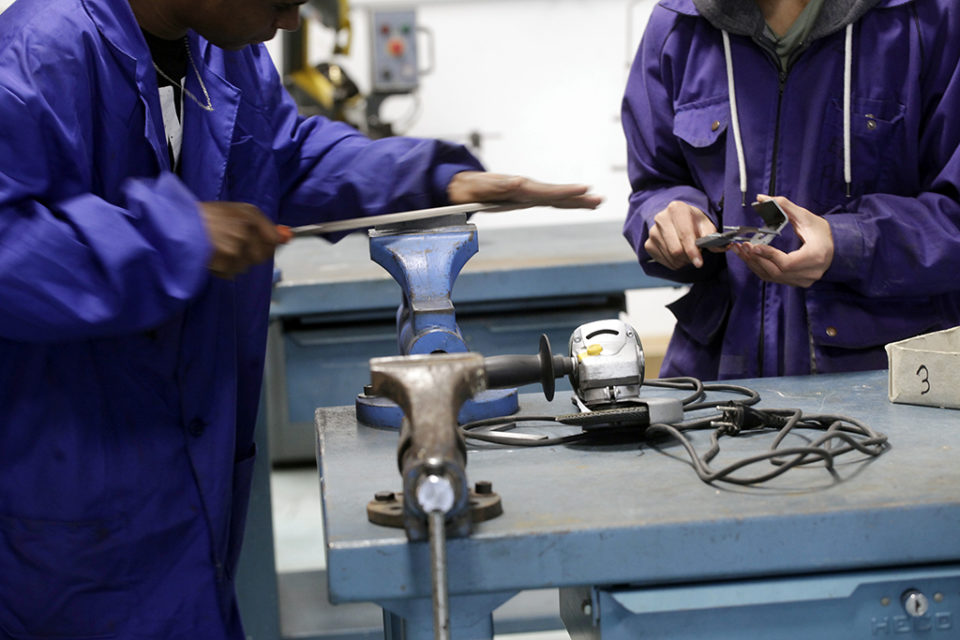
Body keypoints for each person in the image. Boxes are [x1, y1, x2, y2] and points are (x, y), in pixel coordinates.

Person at [0, 0, 602, 637]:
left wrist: (430, 180)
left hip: (191, 482)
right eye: (281, 0)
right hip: (68, 501)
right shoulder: (39, 54)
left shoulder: (222, 53)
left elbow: (286, 158)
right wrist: (171, 238)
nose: (290, 22)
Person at [622, 0, 960, 380]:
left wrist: (849, 244)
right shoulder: (679, 25)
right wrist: (672, 216)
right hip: (719, 380)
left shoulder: (928, 19)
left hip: (880, 382)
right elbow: (653, 185)